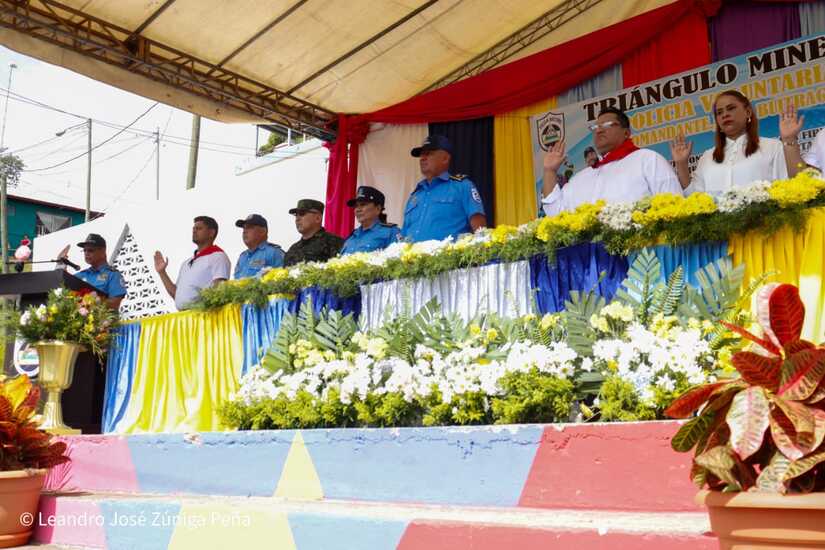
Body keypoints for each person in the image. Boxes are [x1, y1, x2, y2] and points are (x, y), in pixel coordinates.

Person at [541, 107, 682, 216]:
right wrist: (549, 171)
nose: (599, 131)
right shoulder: (580, 178)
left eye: (607, 125)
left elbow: (674, 207)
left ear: (626, 133)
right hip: (589, 253)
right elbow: (555, 212)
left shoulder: (647, 159)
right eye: (595, 127)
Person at [671, 92, 805, 194]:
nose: (725, 115)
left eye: (731, 108)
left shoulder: (772, 146)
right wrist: (681, 164)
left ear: (747, 112)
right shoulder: (707, 157)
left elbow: (797, 180)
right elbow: (694, 198)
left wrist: (789, 140)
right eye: (719, 112)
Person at [401, 135, 486, 242]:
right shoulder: (415, 195)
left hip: (448, 257)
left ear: (445, 158)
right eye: (421, 155)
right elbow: (404, 236)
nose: (422, 158)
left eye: (429, 153)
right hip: (412, 257)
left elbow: (480, 230)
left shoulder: (463, 186)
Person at [153, 216, 230, 310]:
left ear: (211, 233)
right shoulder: (186, 263)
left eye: (199, 228)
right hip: (186, 318)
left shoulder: (218, 256)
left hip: (203, 316)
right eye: (193, 229)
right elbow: (176, 295)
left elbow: (219, 291)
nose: (194, 231)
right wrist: (162, 272)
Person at [58, 233, 126, 310]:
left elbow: (114, 304)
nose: (86, 253)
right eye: (84, 250)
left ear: (103, 251)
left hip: (102, 321)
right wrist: (60, 265)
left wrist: (92, 301)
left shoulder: (113, 275)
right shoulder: (81, 275)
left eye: (90, 250)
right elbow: (63, 287)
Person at [340, 186, 401, 255]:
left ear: (378, 208)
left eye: (363, 205)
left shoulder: (391, 232)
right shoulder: (352, 237)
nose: (357, 209)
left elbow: (398, 262)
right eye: (355, 206)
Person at [283, 199, 344, 266]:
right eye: (296, 215)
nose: (297, 219)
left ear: (318, 218)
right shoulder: (292, 249)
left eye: (302, 214)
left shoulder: (334, 243)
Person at [233, 213, 284, 278]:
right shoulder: (242, 257)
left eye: (250, 227)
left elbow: (283, 280)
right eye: (244, 228)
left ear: (263, 231)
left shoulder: (274, 253)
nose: (244, 231)